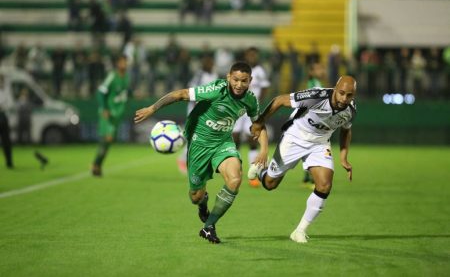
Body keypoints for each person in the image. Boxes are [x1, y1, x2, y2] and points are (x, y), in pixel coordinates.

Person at [134, 62, 268, 244]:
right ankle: (203, 204)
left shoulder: (250, 100)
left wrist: (264, 150)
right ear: (229, 77)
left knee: (235, 180)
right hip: (199, 145)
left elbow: (258, 125)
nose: (239, 85)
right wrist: (152, 108)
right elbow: (180, 94)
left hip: (223, 144)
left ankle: (208, 227)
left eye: (244, 81)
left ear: (250, 81)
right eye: (235, 80)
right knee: (195, 196)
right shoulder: (216, 90)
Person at [248, 76, 357, 243]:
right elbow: (279, 100)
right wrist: (259, 122)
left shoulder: (351, 109)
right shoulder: (316, 96)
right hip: (294, 138)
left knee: (325, 185)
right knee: (270, 184)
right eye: (341, 93)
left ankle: (300, 230)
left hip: (319, 144)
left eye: (349, 95)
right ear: (335, 88)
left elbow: (346, 130)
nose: (344, 98)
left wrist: (344, 157)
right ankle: (262, 170)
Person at [232, 47, 270, 187]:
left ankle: (253, 173)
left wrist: (258, 104)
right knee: (234, 138)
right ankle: (235, 170)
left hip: (251, 109)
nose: (252, 57)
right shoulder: (242, 71)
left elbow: (265, 87)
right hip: (238, 108)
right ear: (246, 55)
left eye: (255, 55)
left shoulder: (260, 71)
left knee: (252, 139)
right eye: (250, 55)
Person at [91, 54, 129, 177]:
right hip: (108, 113)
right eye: (122, 62)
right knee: (107, 138)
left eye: (126, 62)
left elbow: (124, 92)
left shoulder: (127, 77)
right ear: (118, 63)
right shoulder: (112, 76)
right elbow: (100, 92)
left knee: (109, 141)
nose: (125, 64)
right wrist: (104, 108)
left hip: (117, 115)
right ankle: (95, 165)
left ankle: (97, 165)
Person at [302, 62, 326, 188]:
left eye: (322, 68)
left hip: (311, 119)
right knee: (313, 147)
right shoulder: (314, 84)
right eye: (318, 69)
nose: (322, 71)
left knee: (308, 146)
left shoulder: (316, 83)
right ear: (311, 72)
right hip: (312, 120)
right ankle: (312, 178)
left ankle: (307, 177)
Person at [0, 73, 13, 169]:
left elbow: (10, 103)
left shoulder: (6, 91)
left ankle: (9, 161)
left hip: (3, 116)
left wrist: (3, 106)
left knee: (6, 141)